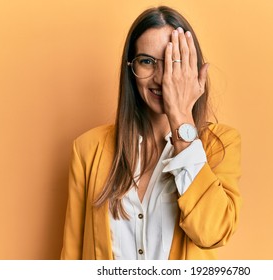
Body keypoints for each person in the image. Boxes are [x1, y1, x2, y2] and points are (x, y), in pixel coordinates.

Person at [60, 5, 242, 260]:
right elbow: (72, 255)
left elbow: (212, 232)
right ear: (130, 70)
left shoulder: (221, 144)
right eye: (147, 61)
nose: (161, 78)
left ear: (191, 69)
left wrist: (180, 118)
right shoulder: (87, 149)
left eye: (173, 62)